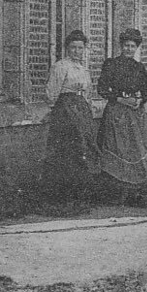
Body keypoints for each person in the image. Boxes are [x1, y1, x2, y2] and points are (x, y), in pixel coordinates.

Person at [96, 28, 147, 205]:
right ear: (121, 46)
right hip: (116, 112)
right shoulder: (111, 64)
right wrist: (120, 99)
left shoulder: (139, 67)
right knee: (117, 148)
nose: (129, 49)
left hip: (135, 115)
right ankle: (116, 194)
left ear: (137, 48)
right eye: (126, 46)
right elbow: (102, 89)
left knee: (135, 150)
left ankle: (134, 193)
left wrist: (139, 101)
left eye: (132, 46)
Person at [43, 29, 98, 200]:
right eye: (73, 47)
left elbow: (88, 92)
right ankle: (63, 194)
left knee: (83, 148)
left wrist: (86, 108)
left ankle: (80, 193)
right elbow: (52, 92)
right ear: (67, 48)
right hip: (66, 111)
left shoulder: (83, 68)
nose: (76, 51)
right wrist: (57, 110)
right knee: (68, 149)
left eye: (80, 48)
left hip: (81, 109)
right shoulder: (61, 66)